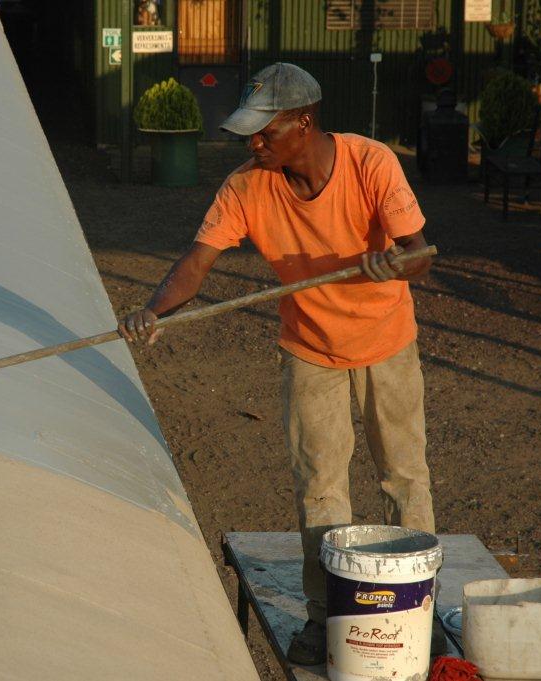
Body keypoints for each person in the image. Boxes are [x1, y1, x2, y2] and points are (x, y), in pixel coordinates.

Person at [118, 62, 443, 665]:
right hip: (309, 349)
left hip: (387, 342)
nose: (255, 145)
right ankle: (326, 614)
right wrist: (152, 309)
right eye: (250, 134)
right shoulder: (246, 187)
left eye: (266, 133)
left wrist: (396, 264)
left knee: (403, 475)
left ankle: (418, 607)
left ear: (304, 123)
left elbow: (420, 253)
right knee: (320, 486)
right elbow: (196, 263)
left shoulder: (372, 163)